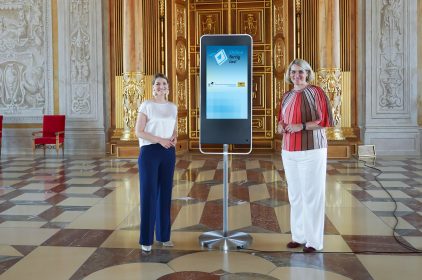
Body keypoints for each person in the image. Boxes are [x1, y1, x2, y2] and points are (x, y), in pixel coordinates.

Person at [277, 59, 333, 253]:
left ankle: (314, 241)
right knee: (295, 195)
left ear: (308, 73)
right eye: (293, 72)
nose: (297, 75)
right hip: (289, 150)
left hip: (312, 150)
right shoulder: (286, 96)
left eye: (301, 72)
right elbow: (281, 121)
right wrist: (281, 127)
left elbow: (324, 120)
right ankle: (298, 236)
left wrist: (300, 126)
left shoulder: (316, 92)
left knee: (312, 195)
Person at [135, 73, 178, 252]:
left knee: (165, 194)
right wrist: (160, 140)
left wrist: (174, 138)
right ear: (153, 87)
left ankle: (163, 236)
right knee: (149, 194)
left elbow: (174, 129)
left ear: (168, 87)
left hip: (168, 152)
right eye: (158, 84)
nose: (161, 86)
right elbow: (139, 131)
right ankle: (146, 239)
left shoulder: (173, 107)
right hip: (149, 152)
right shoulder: (147, 105)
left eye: (164, 83)